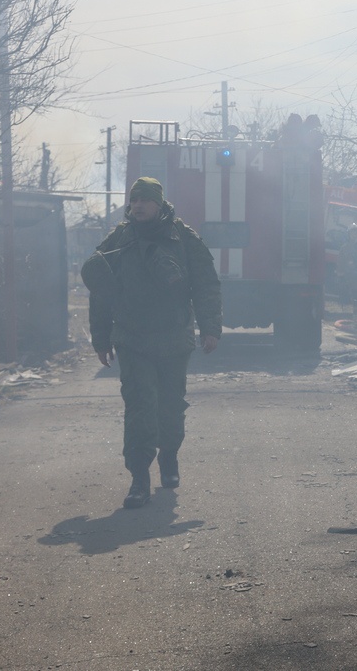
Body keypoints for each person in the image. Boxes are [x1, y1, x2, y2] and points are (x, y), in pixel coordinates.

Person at [81, 177, 222, 509]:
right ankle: (139, 478)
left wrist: (210, 327)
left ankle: (169, 456)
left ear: (160, 204)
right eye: (135, 200)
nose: (139, 205)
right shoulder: (118, 241)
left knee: (171, 405)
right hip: (132, 338)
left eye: (146, 200)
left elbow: (206, 285)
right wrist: (100, 338)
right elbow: (100, 292)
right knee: (140, 406)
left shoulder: (184, 239)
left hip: (174, 336)